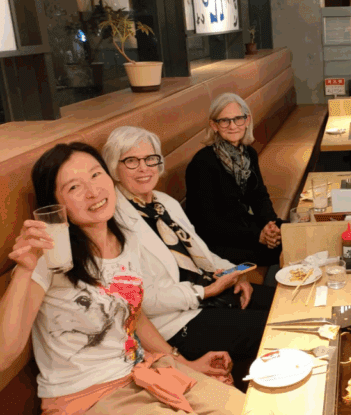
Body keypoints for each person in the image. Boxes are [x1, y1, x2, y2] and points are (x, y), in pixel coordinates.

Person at [0, 142, 244, 415]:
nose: (93, 192)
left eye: (96, 174)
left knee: (245, 408)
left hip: (144, 372)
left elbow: (135, 316)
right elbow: (4, 354)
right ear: (56, 205)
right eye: (74, 187)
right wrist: (24, 270)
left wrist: (184, 362)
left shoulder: (126, 241)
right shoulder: (50, 257)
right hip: (88, 397)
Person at [102, 126, 274, 392]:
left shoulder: (163, 202)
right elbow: (143, 301)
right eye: (131, 161)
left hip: (212, 294)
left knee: (283, 302)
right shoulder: (115, 222)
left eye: (150, 159)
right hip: (178, 321)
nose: (144, 168)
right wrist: (205, 292)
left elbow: (202, 255)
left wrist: (233, 274)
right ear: (115, 167)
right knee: (273, 329)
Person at [185, 92, 282, 271]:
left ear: (247, 121)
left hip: (243, 227)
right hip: (218, 241)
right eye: (224, 121)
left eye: (238, 119)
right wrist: (257, 235)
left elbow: (259, 196)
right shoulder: (202, 163)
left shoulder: (249, 154)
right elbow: (207, 224)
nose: (232, 126)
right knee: (281, 249)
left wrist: (271, 225)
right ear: (214, 125)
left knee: (291, 233)